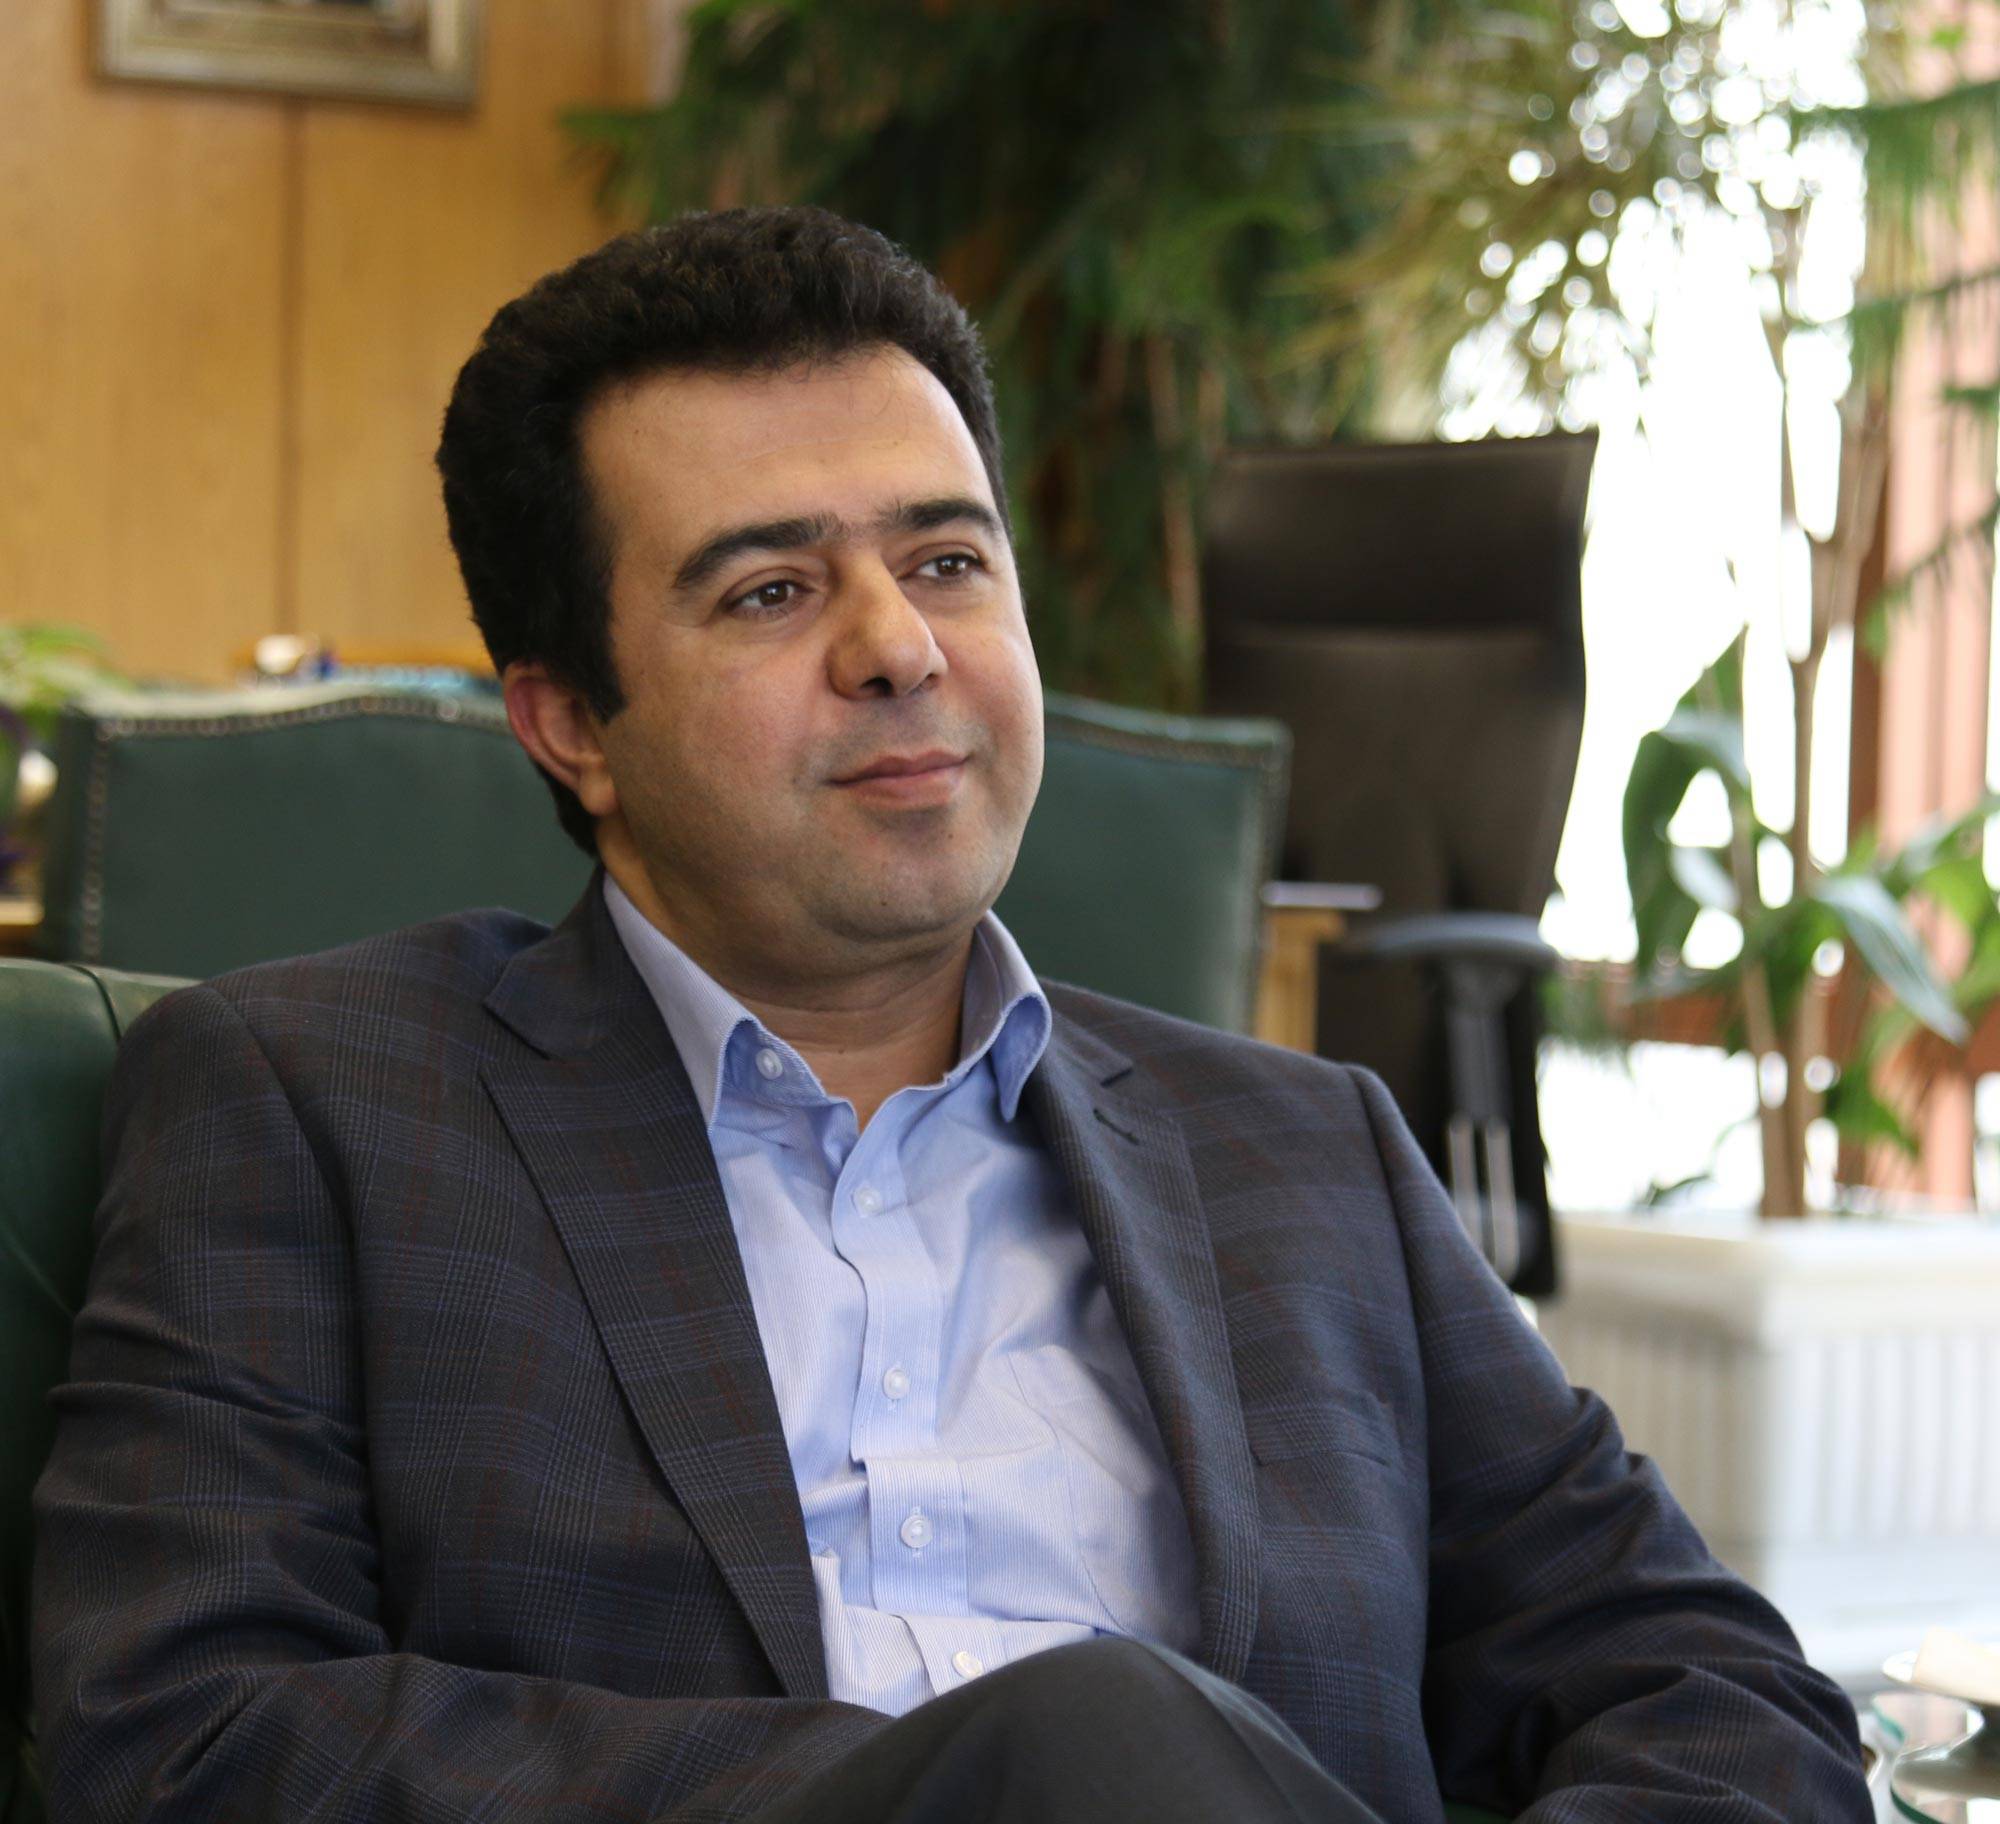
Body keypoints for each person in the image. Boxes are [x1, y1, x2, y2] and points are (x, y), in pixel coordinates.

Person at [32, 207, 1872, 1824]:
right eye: (770, 591)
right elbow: (182, 1731)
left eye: (946, 562)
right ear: (571, 724)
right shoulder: (315, 1107)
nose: (898, 647)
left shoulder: (1305, 1153)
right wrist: (974, 1788)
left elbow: (1714, 1690)